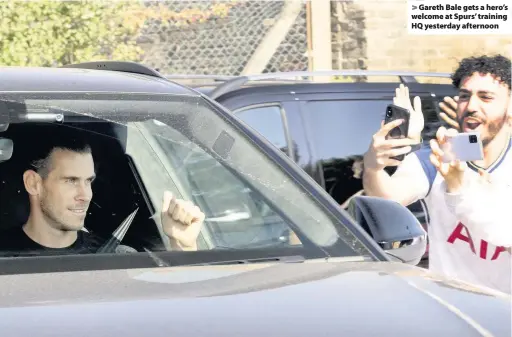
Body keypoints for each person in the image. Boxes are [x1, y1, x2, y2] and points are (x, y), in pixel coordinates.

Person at [362, 54, 511, 293]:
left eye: (485, 97)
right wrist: (374, 167)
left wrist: (459, 191)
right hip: (452, 310)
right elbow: (388, 200)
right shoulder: (437, 158)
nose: (471, 106)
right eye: (464, 96)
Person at [0, 136, 205, 255]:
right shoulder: (5, 255)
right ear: (33, 183)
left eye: (88, 181)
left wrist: (183, 246)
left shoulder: (116, 255)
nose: (85, 195)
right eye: (71, 180)